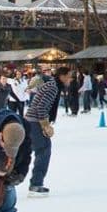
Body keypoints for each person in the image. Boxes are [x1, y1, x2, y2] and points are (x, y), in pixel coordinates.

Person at [24, 66, 67, 196]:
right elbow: (41, 107)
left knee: (26, 151)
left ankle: (3, 181)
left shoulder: (53, 85)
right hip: (34, 121)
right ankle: (36, 184)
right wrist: (45, 125)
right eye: (69, 76)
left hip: (31, 120)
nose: (71, 79)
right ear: (62, 76)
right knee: (43, 150)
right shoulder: (53, 87)